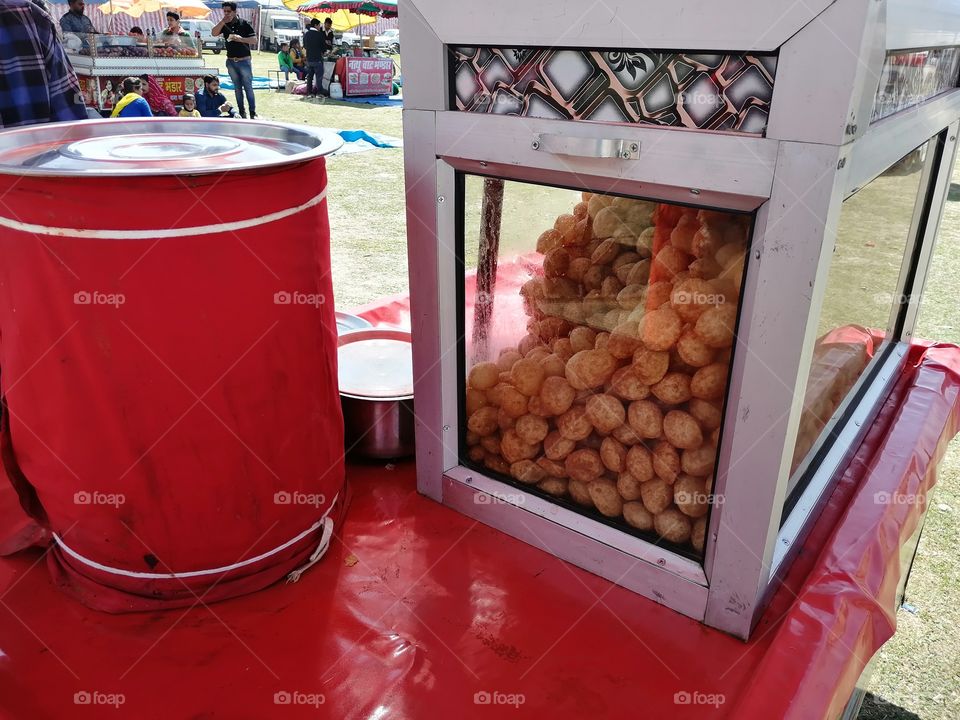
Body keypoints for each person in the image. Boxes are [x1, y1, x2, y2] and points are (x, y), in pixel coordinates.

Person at [1, 0, 87, 128]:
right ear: (71, 4)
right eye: (80, 3)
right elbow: (69, 114)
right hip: (30, 143)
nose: (83, 6)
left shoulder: (33, 17)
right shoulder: (32, 17)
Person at [212, 2, 257, 119]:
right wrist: (222, 22)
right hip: (231, 61)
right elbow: (214, 33)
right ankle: (242, 112)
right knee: (237, 88)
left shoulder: (244, 23)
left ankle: (253, 112)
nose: (226, 14)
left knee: (248, 87)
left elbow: (254, 40)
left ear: (235, 11)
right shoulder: (224, 24)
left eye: (229, 11)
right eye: (224, 11)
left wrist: (241, 39)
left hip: (244, 61)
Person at [303, 18, 326, 97]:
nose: (320, 27)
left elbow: (305, 46)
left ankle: (309, 92)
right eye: (319, 25)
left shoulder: (306, 34)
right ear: (316, 25)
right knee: (319, 77)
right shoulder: (319, 35)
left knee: (310, 77)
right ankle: (319, 92)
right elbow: (324, 48)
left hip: (309, 59)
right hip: (317, 59)